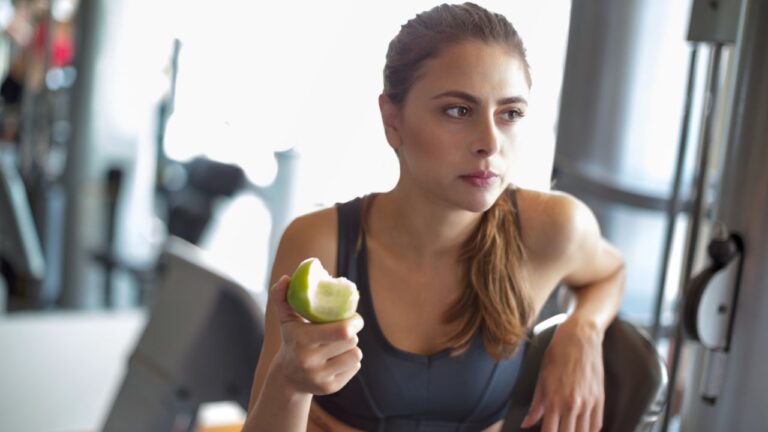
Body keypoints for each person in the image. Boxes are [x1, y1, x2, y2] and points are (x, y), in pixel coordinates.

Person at [243, 3, 625, 431]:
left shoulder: (550, 227)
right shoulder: (320, 242)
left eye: (510, 114)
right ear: (392, 119)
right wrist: (290, 384)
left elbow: (610, 272)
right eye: (458, 111)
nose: (489, 142)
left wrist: (584, 327)